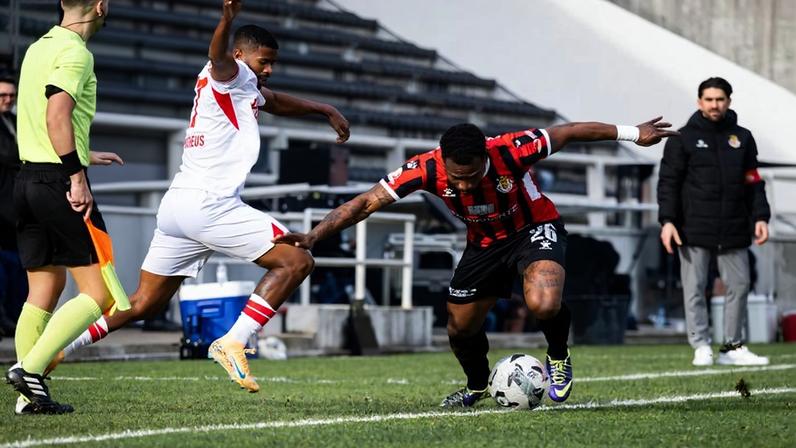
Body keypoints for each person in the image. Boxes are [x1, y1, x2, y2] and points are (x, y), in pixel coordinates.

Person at [53, 0, 350, 393]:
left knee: (144, 303)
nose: (269, 70)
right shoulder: (228, 72)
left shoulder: (247, 85)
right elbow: (217, 56)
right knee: (297, 260)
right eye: (264, 62)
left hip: (178, 207)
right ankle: (234, 342)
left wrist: (324, 108)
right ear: (241, 55)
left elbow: (275, 101)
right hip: (210, 205)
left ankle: (57, 350)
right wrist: (226, 20)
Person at [274, 117, 677, 407]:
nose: (464, 185)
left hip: (533, 229)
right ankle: (477, 386)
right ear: (443, 162)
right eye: (456, 179)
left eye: (472, 176)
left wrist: (632, 133)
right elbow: (365, 202)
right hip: (483, 245)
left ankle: (558, 355)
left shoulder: (511, 149)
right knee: (459, 328)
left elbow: (568, 132)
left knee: (542, 301)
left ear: (485, 157)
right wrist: (313, 237)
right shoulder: (425, 169)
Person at [4, 0, 126, 415]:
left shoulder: (38, 47)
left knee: (43, 290)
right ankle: (30, 369)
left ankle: (29, 399)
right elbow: (57, 115)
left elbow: (39, 121)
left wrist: (87, 154)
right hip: (58, 182)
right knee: (102, 293)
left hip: (26, 181)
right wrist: (76, 175)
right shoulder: (76, 52)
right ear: (100, 6)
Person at [658, 77, 770, 367]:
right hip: (693, 228)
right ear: (699, 102)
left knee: (740, 285)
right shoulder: (682, 138)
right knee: (694, 288)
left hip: (734, 226)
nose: (714, 104)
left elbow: (753, 181)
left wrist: (761, 217)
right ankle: (701, 345)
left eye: (719, 99)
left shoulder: (742, 138)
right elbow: (668, 183)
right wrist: (667, 221)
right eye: (708, 99)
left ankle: (732, 347)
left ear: (729, 101)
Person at [0, 75, 26, 337]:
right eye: (2, 95)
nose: (8, 100)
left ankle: (14, 318)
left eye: (11, 95)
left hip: (16, 208)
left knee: (19, 267)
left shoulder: (15, 122)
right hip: (3, 208)